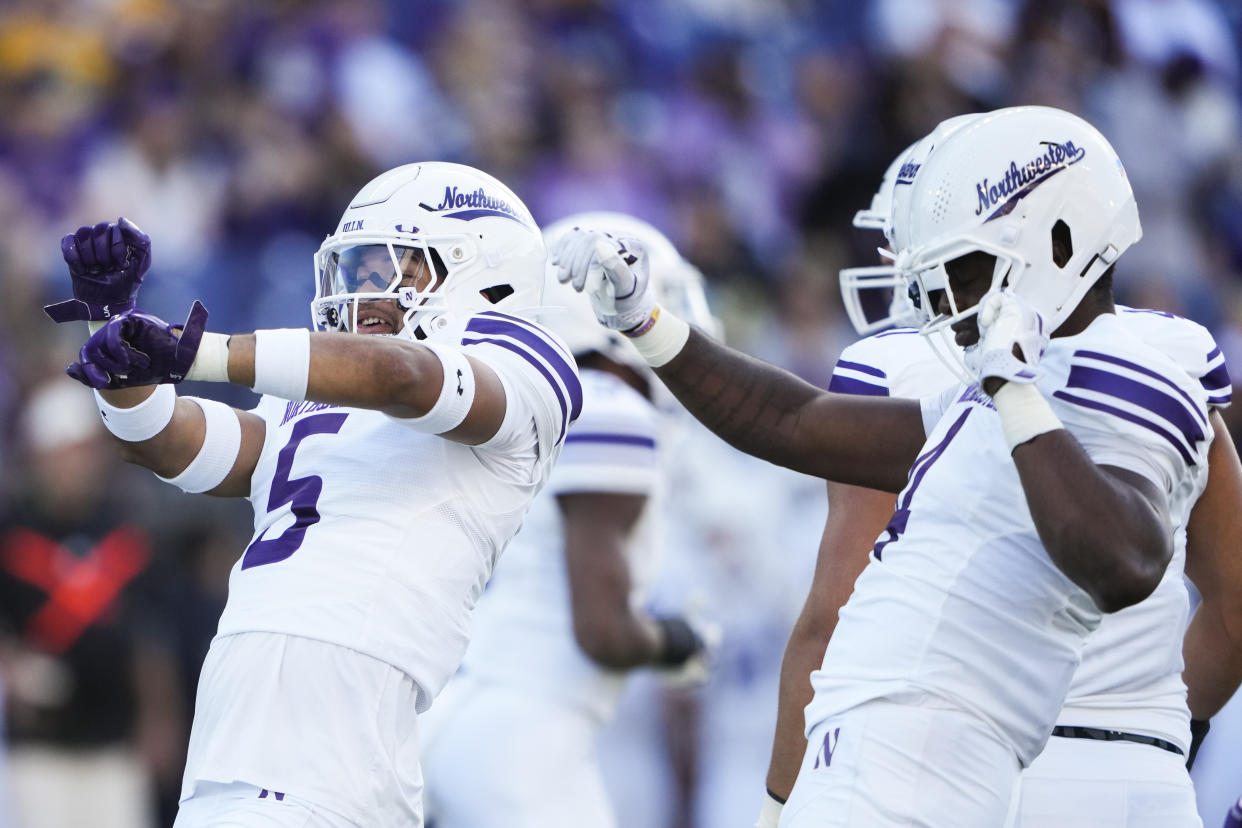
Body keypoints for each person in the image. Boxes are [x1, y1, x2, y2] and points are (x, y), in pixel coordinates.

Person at [554, 106, 1211, 826]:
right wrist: (645, 321)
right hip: (888, 751)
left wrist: (1015, 390)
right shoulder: (1008, 388)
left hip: (918, 758)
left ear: (1060, 240)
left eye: (964, 271)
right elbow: (793, 421)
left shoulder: (1123, 365)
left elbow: (1126, 559)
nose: (947, 310)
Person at [45, 162, 582, 828]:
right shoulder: (319, 389)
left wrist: (197, 354)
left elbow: (406, 379)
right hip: (245, 718)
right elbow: (168, 442)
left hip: (331, 726)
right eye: (355, 272)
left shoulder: (526, 366)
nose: (362, 294)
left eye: (393, 271)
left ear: (481, 271)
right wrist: (116, 337)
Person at [763, 122, 1242, 828]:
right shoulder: (1171, 352)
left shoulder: (899, 367)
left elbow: (834, 615)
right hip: (1140, 778)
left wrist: (778, 804)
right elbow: (1236, 606)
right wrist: (1160, 727)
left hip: (958, 765)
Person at [420, 212, 720, 828]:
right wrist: (679, 643)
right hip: (521, 734)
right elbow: (602, 631)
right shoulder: (609, 409)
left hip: (471, 713)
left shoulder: (537, 411)